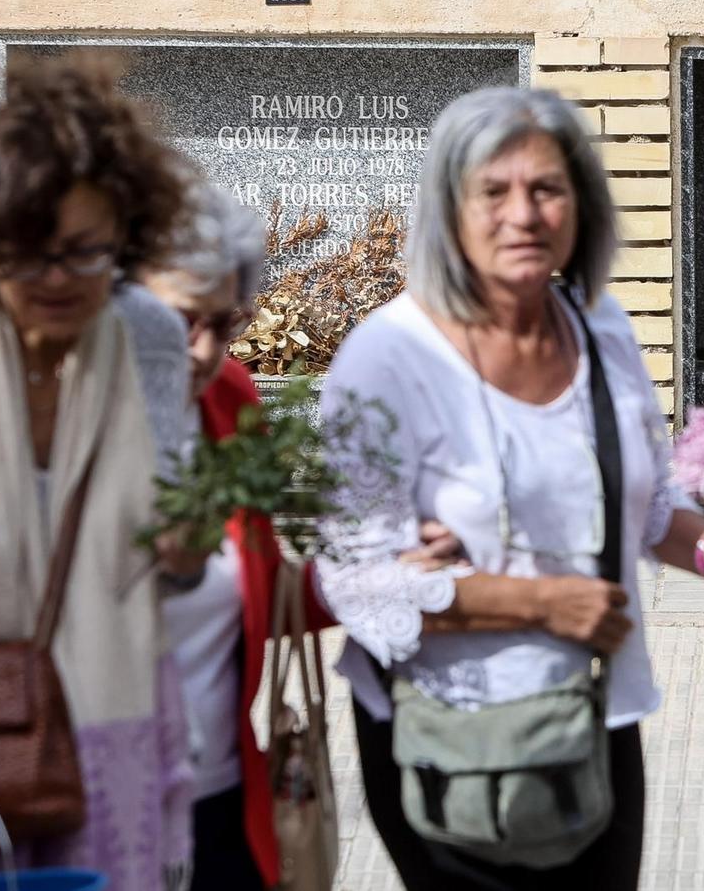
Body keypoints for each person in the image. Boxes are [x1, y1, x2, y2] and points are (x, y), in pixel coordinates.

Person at [316, 87, 704, 891]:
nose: (523, 214)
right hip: (453, 735)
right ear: (449, 209)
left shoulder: (599, 328)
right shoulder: (386, 359)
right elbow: (355, 583)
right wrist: (542, 602)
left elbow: (642, 509)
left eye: (547, 189)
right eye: (492, 192)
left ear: (582, 206)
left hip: (594, 713)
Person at [136, 182, 464, 891]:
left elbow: (255, 589)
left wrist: (379, 568)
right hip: (90, 805)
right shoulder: (56, 414)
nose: (200, 351)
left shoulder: (228, 397)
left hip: (219, 799)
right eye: (177, 321)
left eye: (224, 323)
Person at [0, 63, 200, 888]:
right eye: (27, 254)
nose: (56, 281)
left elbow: (160, 558)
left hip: (109, 724)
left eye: (84, 253)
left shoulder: (145, 333)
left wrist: (185, 550)